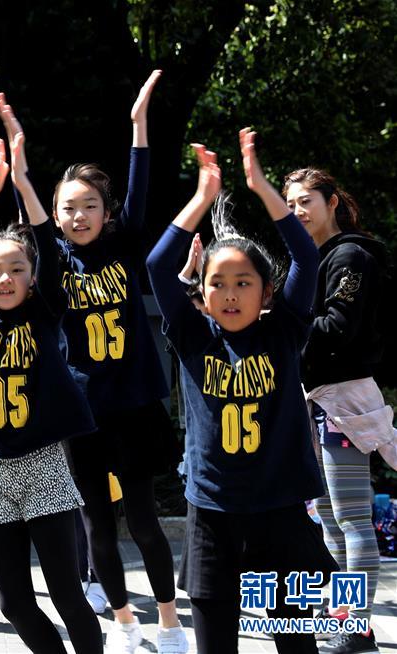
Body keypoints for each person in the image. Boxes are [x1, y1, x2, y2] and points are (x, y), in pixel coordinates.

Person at [146, 131, 337, 653]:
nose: (230, 294)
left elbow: (305, 256)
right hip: (211, 513)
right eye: (218, 283)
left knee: (296, 643)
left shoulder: (283, 330)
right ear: (201, 294)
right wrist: (203, 198)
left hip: (280, 509)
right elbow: (158, 266)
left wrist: (260, 187)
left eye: (244, 282)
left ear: (267, 290)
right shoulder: (191, 335)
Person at [0, 98, 103, 652]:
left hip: (42, 465)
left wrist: (24, 180)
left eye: (17, 269)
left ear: (32, 277)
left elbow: (53, 258)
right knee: (12, 602)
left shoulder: (42, 311)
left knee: (66, 594)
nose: (6, 277)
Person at [49, 70, 186, 652]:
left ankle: (170, 618)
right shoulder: (49, 263)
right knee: (96, 527)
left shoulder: (124, 245)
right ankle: (124, 620)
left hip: (132, 406)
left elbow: (142, 186)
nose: (80, 216)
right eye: (69, 208)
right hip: (84, 415)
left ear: (107, 212)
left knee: (143, 520)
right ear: (55, 216)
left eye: (90, 206)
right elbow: (26, 223)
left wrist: (138, 126)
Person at [284, 167, 393, 653]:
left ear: (332, 202)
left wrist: (278, 329)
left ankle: (359, 625)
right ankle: (344, 616)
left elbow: (336, 326)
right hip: (318, 401)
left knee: (350, 518)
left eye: (306, 200)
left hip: (342, 400)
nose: (297, 211)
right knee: (328, 517)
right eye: (289, 204)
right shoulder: (308, 257)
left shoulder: (349, 255)